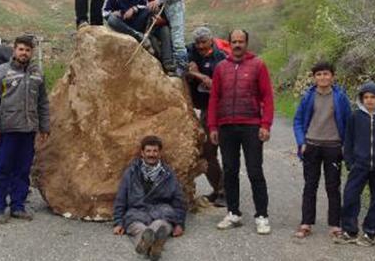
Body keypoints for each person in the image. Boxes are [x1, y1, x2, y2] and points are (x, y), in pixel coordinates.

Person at [208, 29, 274, 234]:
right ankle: (233, 213)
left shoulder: (258, 65)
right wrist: (212, 126)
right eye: (234, 41)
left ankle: (262, 216)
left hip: (251, 126)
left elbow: (268, 97)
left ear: (246, 43)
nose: (237, 45)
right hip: (226, 126)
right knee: (230, 172)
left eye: (241, 41)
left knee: (255, 171)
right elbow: (214, 98)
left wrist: (265, 124)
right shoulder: (221, 68)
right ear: (229, 44)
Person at [0, 35, 50, 223]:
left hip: (29, 129)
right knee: (3, 168)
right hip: (8, 129)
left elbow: (43, 103)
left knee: (23, 169)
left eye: (28, 50)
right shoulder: (1, 73)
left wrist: (45, 126)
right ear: (14, 50)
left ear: (32, 52)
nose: (24, 53)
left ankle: (18, 205)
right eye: (21, 49)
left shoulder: (37, 73)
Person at [335, 82, 375, 247]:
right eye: (366, 97)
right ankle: (349, 231)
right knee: (350, 196)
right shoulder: (355, 117)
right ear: (361, 99)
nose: (369, 100)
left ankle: (370, 232)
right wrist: (350, 162)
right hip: (359, 165)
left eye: (373, 97)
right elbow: (348, 141)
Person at [292, 62, 352, 239]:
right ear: (314, 78)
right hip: (311, 146)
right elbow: (298, 121)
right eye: (319, 74)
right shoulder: (308, 97)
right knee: (310, 185)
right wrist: (301, 142)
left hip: (333, 147)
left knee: (333, 187)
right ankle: (306, 223)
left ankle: (334, 224)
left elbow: (348, 124)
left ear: (333, 76)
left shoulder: (340, 97)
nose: (323, 77)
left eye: (326, 74)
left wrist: (345, 145)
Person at [113, 136, 186, 261]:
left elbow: (178, 200)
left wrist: (179, 224)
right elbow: (121, 198)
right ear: (142, 153)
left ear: (160, 153)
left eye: (155, 151)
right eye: (148, 151)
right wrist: (118, 222)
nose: (152, 154)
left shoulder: (168, 174)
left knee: (161, 225)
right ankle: (153, 245)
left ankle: (147, 243)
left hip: (161, 212)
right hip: (137, 212)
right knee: (138, 227)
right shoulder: (131, 173)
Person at [186, 27, 226, 205]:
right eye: (198, 43)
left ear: (211, 40)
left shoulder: (220, 58)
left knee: (220, 151)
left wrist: (196, 74)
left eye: (204, 42)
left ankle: (225, 193)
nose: (200, 46)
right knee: (208, 151)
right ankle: (218, 190)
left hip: (221, 108)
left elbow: (214, 84)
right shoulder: (190, 51)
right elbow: (180, 61)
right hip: (204, 107)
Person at [141, 0, 174, 75]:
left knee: (165, 30)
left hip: (157, 27)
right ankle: (160, 63)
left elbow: (169, 19)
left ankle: (168, 63)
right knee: (153, 43)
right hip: (143, 30)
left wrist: (161, 21)